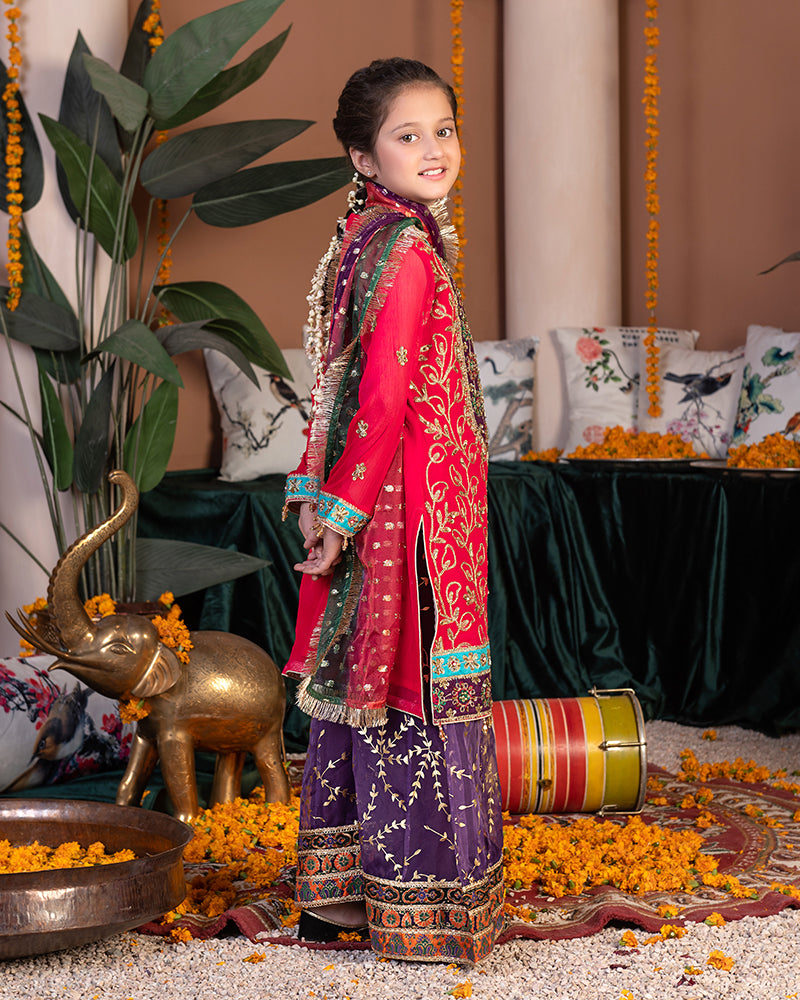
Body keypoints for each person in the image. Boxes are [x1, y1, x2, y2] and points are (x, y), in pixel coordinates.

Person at [282, 57, 504, 965]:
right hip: (414, 514)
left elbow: (330, 384)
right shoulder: (405, 248)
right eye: (409, 136)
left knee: (364, 689)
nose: (435, 148)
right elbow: (376, 395)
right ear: (364, 157)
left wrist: (325, 499)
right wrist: (339, 513)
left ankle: (338, 899)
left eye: (444, 130)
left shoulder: (364, 235)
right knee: (412, 688)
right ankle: (425, 908)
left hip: (394, 503)